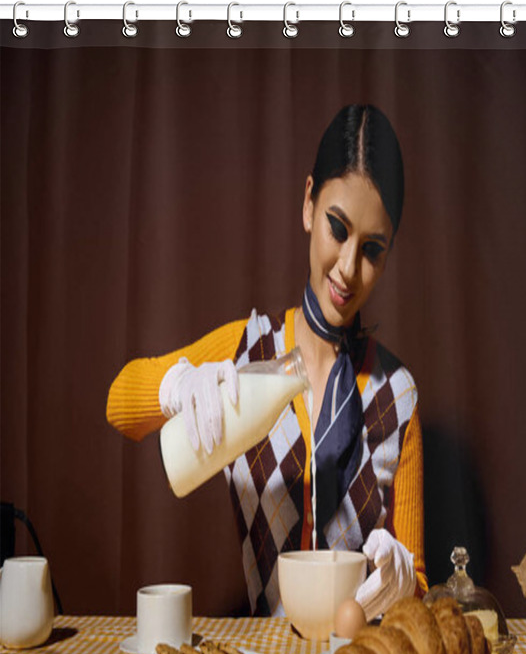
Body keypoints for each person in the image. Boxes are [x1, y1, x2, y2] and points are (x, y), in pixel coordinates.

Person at [106, 104, 425, 620]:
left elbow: (421, 584)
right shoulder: (246, 354)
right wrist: (177, 385)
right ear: (308, 205)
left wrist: (405, 581)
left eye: (372, 250)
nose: (347, 269)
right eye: (337, 229)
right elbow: (119, 405)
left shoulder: (398, 395)